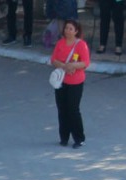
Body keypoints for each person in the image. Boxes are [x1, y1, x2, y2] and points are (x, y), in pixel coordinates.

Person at [50, 20, 89, 150]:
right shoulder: (60, 43)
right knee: (62, 109)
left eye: (71, 29)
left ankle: (79, 138)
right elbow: (53, 60)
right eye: (66, 28)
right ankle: (64, 137)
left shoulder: (81, 45)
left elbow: (85, 62)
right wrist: (64, 66)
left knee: (73, 109)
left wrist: (73, 66)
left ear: (76, 31)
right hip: (62, 82)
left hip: (75, 82)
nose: (67, 31)